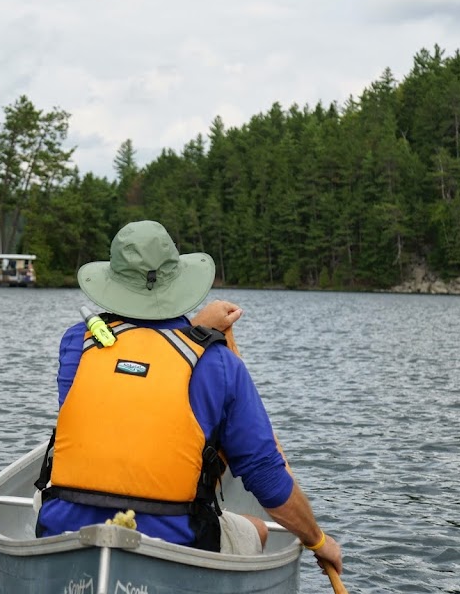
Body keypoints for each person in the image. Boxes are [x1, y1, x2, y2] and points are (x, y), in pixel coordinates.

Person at [34, 220, 343, 574]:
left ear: (113, 282)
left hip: (67, 531)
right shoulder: (218, 361)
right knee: (257, 528)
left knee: (40, 497)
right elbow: (265, 476)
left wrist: (196, 329)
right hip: (179, 543)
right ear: (176, 282)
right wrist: (319, 540)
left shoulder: (77, 343)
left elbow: (132, 387)